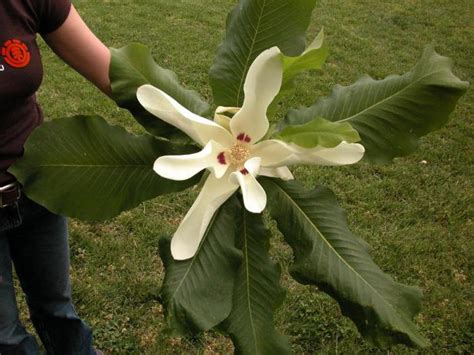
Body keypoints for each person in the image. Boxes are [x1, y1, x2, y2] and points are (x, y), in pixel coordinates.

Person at [0, 0, 111, 353]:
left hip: (38, 187)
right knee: (5, 339)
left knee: (59, 312)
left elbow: (113, 74)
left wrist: (193, 124)